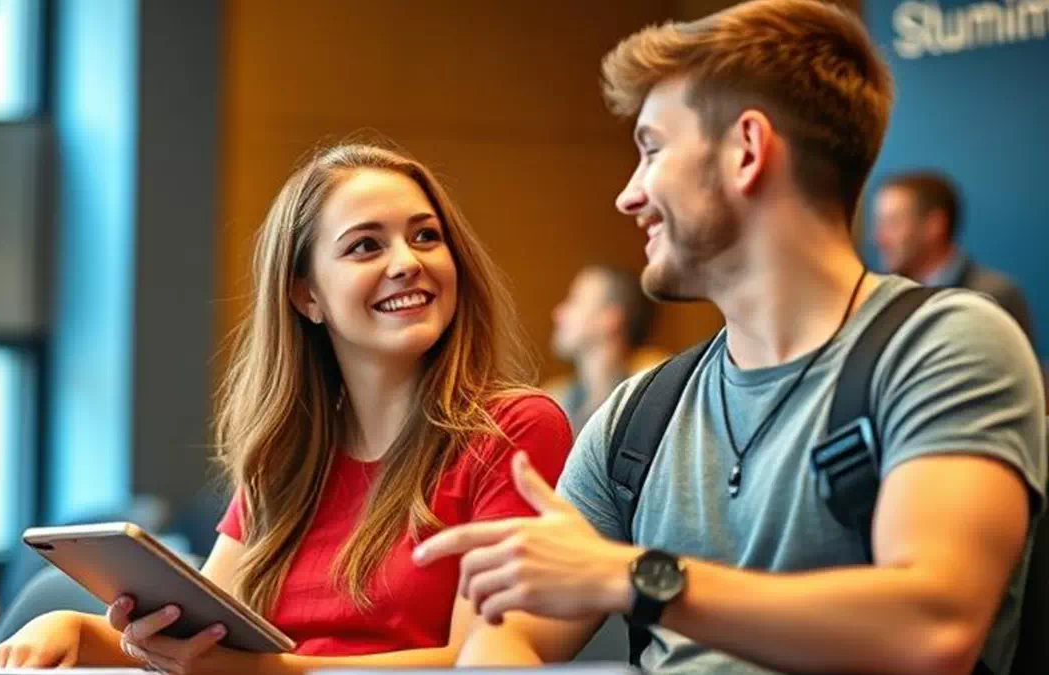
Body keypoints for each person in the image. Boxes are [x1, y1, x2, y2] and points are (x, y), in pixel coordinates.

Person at [413, 2, 1046, 674]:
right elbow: (505, 632)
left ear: (747, 150)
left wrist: (640, 578)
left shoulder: (944, 346)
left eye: (652, 148)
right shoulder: (637, 418)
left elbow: (933, 627)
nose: (629, 195)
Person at [0, 144, 572, 673]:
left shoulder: (515, 429)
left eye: (426, 236)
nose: (407, 262)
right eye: (366, 245)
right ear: (306, 294)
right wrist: (76, 629)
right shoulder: (289, 457)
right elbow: (199, 644)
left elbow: (478, 664)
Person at [873, 170, 1036, 347]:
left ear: (934, 225)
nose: (879, 238)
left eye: (893, 223)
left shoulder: (993, 296)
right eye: (880, 222)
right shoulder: (886, 298)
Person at [546, 265, 666, 434]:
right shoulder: (555, 401)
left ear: (610, 318)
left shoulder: (657, 395)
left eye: (574, 300)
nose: (558, 313)